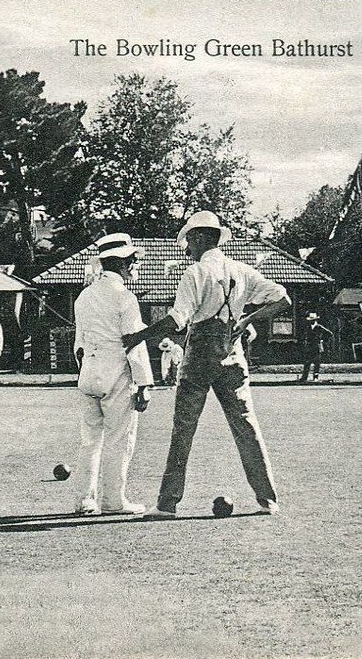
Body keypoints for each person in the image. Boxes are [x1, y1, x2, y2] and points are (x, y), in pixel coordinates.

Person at [122, 210, 291, 518]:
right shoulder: (241, 270)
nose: (186, 248)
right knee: (246, 426)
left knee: (183, 430)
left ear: (199, 238)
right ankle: (268, 500)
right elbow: (283, 299)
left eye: (188, 241)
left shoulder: (195, 273)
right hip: (233, 353)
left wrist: (137, 337)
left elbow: (176, 319)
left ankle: (167, 504)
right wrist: (247, 320)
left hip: (200, 356)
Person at [73, 233, 154, 516]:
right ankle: (113, 502)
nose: (135, 266)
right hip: (116, 371)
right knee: (119, 439)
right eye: (133, 261)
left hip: (88, 372)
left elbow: (79, 344)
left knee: (89, 440)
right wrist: (143, 383)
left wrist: (86, 368)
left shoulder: (84, 296)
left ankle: (85, 500)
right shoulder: (125, 297)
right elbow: (133, 342)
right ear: (122, 263)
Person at [299, 312, 332, 382]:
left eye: (313, 320)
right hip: (309, 347)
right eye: (310, 320)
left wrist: (322, 340)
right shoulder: (308, 327)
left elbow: (329, 334)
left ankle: (315, 377)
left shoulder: (319, 327)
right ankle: (304, 377)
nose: (311, 321)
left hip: (317, 347)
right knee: (307, 363)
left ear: (315, 320)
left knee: (317, 363)